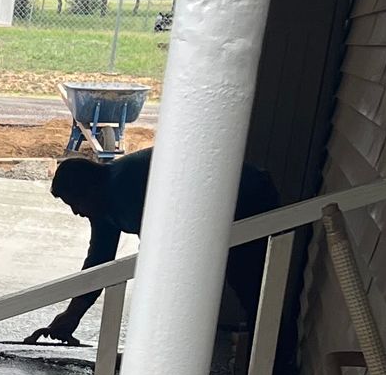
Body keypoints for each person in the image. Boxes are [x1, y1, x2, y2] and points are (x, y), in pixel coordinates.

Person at [26, 148, 279, 345]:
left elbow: (162, 259)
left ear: (90, 189)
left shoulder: (127, 190)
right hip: (219, 205)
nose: (75, 212)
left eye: (75, 203)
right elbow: (99, 263)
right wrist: (72, 315)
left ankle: (273, 354)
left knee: (247, 277)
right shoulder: (103, 201)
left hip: (249, 198)